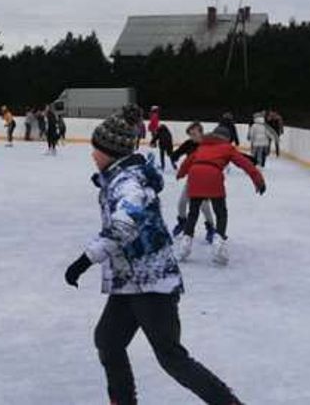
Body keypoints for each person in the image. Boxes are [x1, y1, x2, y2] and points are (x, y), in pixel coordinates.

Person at [63, 112, 243, 405]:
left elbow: (122, 225)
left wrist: (83, 261)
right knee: (108, 341)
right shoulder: (119, 178)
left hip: (152, 282)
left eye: (96, 147)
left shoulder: (128, 184)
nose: (92, 153)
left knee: (171, 357)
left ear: (110, 151)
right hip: (132, 281)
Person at [175, 126, 266, 265]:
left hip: (195, 175)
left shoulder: (202, 146)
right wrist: (258, 180)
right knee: (221, 212)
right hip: (213, 176)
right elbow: (245, 163)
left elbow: (188, 161)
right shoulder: (227, 147)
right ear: (226, 138)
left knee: (193, 212)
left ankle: (185, 244)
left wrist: (180, 174)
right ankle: (219, 241)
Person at [171, 122, 217, 244]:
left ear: (201, 132)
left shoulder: (208, 144)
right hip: (191, 179)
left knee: (204, 205)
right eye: (190, 134)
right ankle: (182, 222)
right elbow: (178, 152)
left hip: (205, 180)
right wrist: (173, 156)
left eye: (194, 134)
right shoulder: (189, 144)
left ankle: (211, 227)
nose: (192, 137)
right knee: (182, 202)